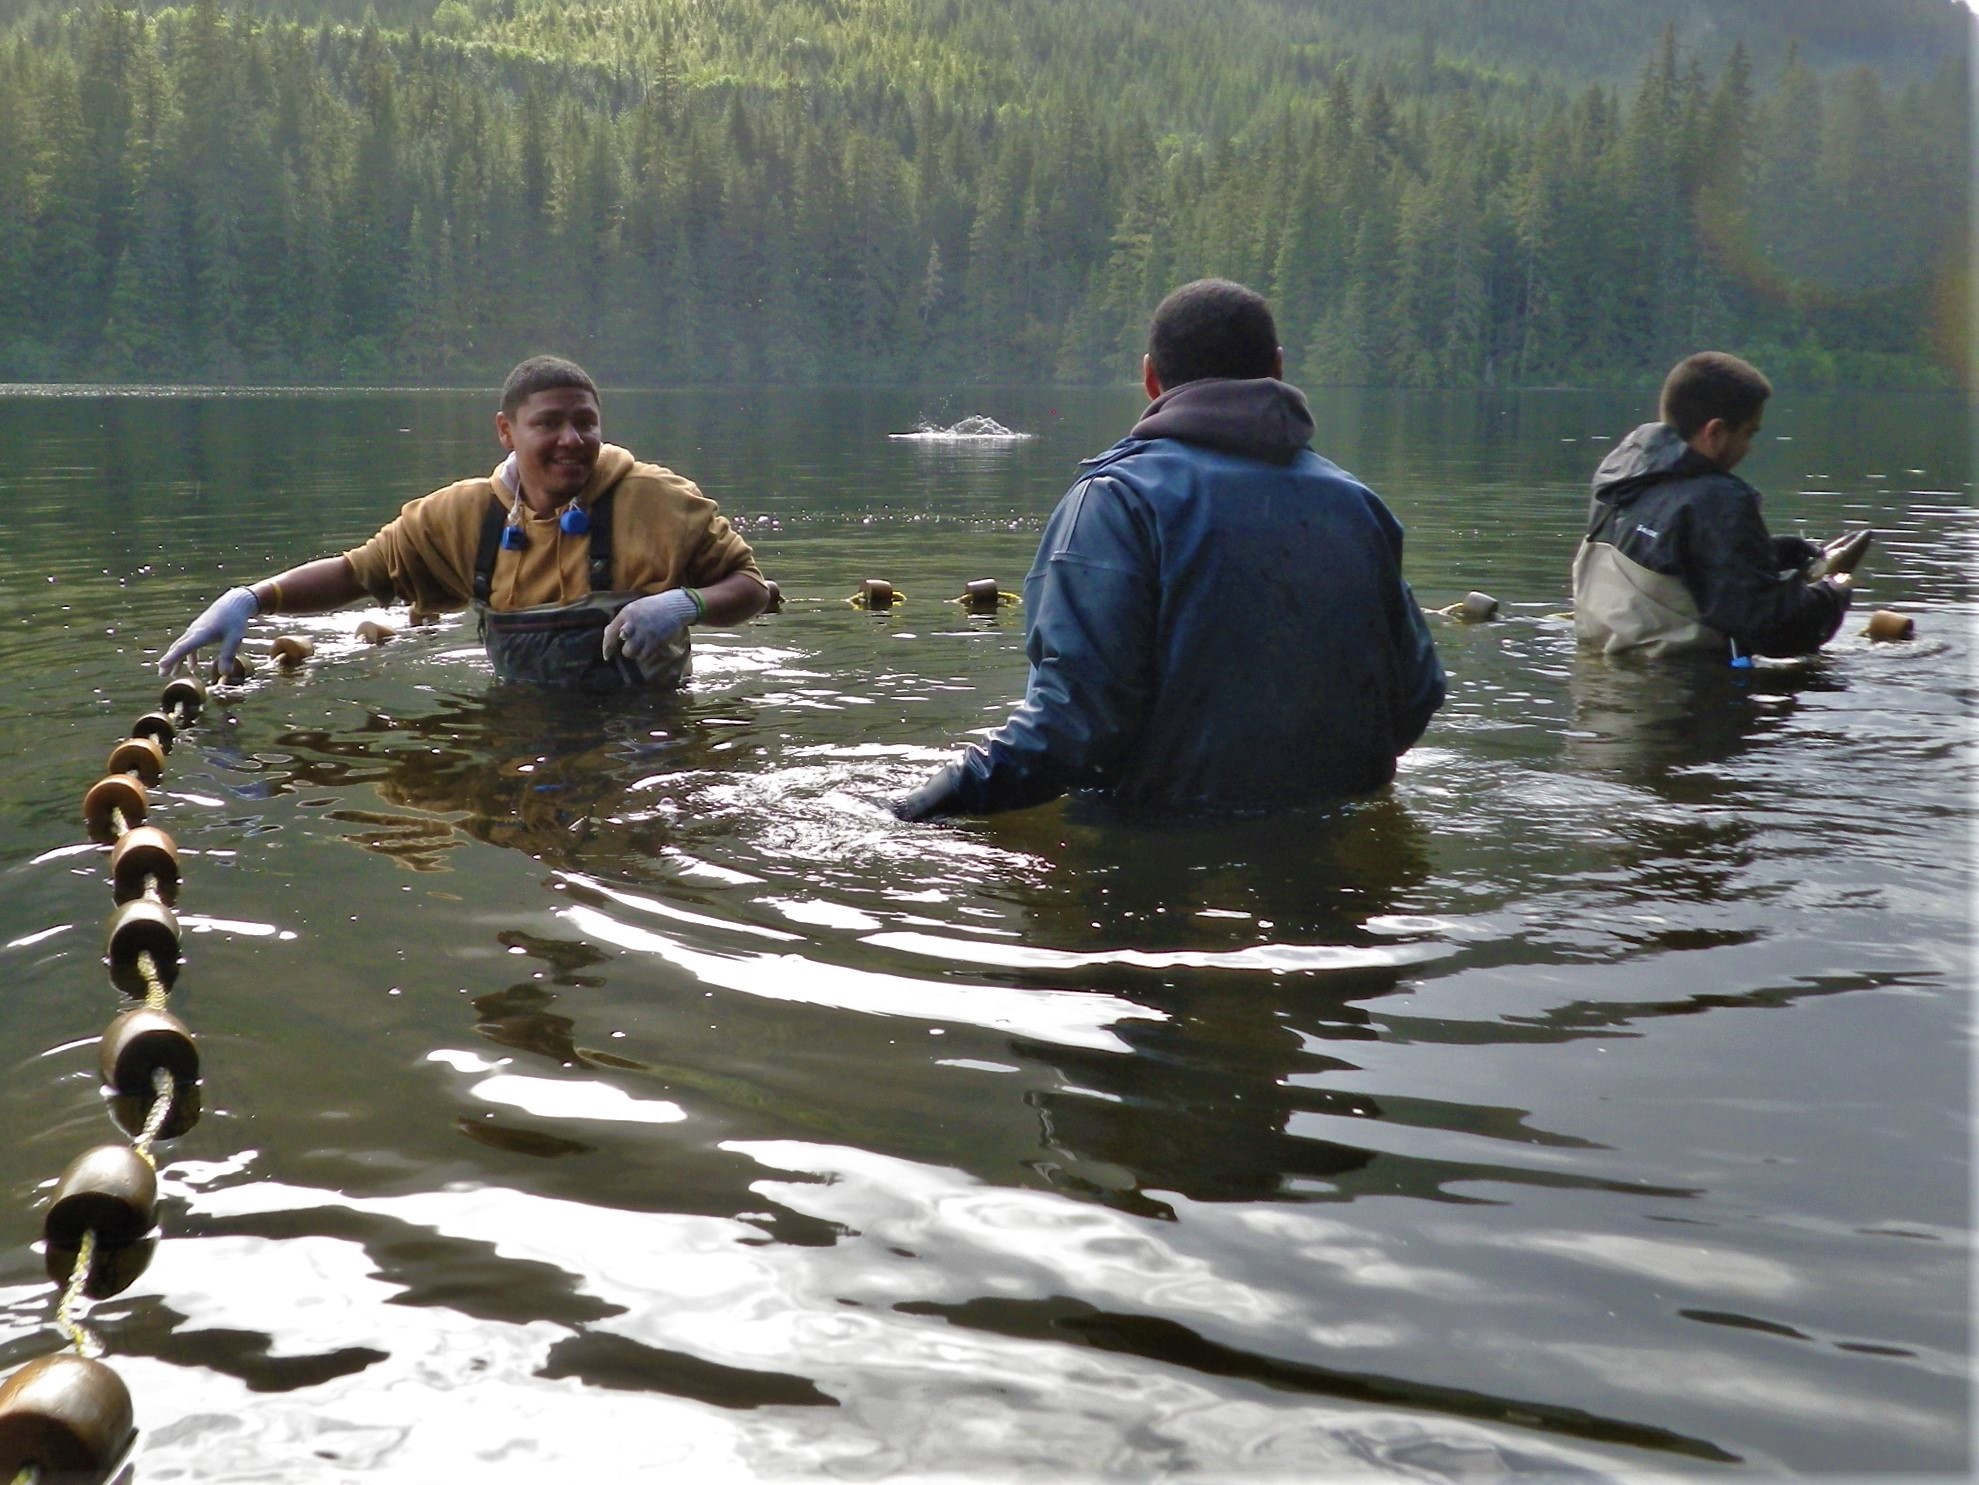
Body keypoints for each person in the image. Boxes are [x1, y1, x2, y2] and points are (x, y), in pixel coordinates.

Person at [893, 278, 1446, 821]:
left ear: (1150, 378)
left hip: (1164, 851)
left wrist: (923, 805)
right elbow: (1417, 692)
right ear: (1277, 368)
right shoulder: (1358, 507)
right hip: (1333, 867)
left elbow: (1071, 725)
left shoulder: (1117, 502)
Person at [158, 356, 769, 690]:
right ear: (506, 430)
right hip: (522, 732)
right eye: (549, 423)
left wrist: (683, 605)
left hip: (650, 737)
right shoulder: (457, 517)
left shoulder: (658, 499)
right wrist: (251, 598)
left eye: (585, 421)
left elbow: (749, 587)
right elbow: (357, 573)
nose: (571, 440)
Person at [1572, 351, 1869, 660]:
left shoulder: (1619, 474)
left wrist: (1770, 554)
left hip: (1599, 676)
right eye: (1748, 433)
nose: (1749, 448)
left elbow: (1669, 554)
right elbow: (1777, 633)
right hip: (1682, 693)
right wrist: (1834, 591)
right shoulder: (1717, 501)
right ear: (1714, 432)